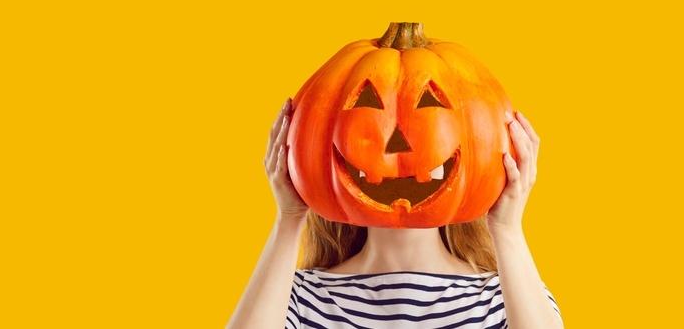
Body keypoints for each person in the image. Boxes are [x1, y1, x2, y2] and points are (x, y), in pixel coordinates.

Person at [228, 99, 564, 329]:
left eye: (428, 105)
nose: (397, 145)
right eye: (368, 103)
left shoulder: (503, 297)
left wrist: (506, 228)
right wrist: (289, 218)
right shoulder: (299, 297)